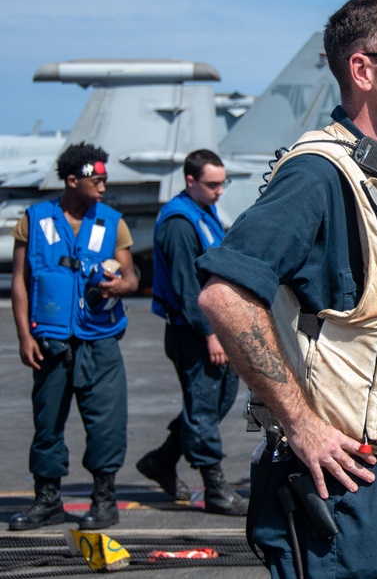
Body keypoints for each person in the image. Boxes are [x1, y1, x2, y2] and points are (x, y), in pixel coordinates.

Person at [197, 0, 377, 578]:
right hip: (336, 483)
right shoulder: (317, 174)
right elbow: (225, 295)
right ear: (362, 70)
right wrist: (302, 423)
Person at [9, 142, 139, 531]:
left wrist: (122, 286)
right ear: (72, 180)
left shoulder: (113, 222)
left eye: (104, 180)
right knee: (47, 423)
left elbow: (132, 277)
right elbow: (20, 282)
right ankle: (47, 501)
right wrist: (23, 336)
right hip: (49, 341)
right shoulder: (33, 220)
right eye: (95, 180)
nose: (103, 186)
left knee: (106, 424)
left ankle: (104, 501)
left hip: (99, 342)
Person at [137, 149, 247, 516]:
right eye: (212, 185)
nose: (220, 191)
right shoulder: (180, 223)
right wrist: (210, 334)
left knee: (218, 400)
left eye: (222, 183)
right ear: (190, 181)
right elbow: (187, 288)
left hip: (215, 327)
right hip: (195, 332)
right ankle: (215, 487)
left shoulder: (203, 213)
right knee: (203, 407)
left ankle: (162, 460)